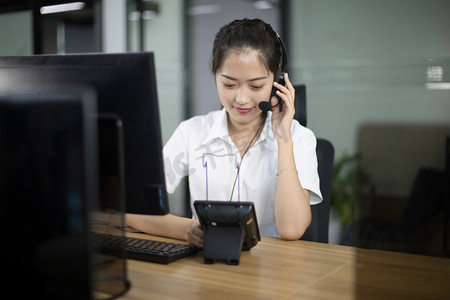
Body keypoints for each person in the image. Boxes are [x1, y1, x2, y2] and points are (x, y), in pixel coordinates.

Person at [126, 18, 322, 248]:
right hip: (208, 267)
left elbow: (292, 229)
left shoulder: (299, 138)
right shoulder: (192, 132)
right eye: (229, 84)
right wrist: (187, 230)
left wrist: (283, 139)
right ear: (214, 71)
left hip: (273, 271)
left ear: (276, 81)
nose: (241, 99)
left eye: (256, 86)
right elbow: (133, 210)